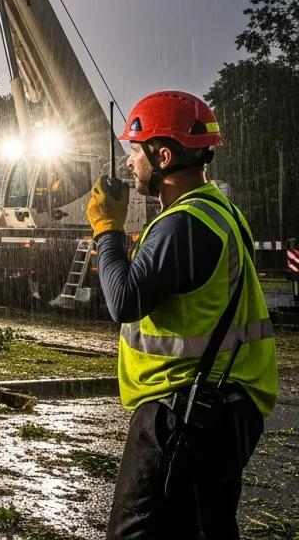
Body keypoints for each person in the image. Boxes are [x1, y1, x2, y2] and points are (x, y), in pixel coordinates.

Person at [87, 91, 277, 539]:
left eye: (136, 150)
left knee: (136, 531)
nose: (130, 162)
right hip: (225, 404)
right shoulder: (219, 212)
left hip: (185, 409)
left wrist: (106, 229)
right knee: (202, 529)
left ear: (164, 155)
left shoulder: (182, 225)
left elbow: (124, 301)